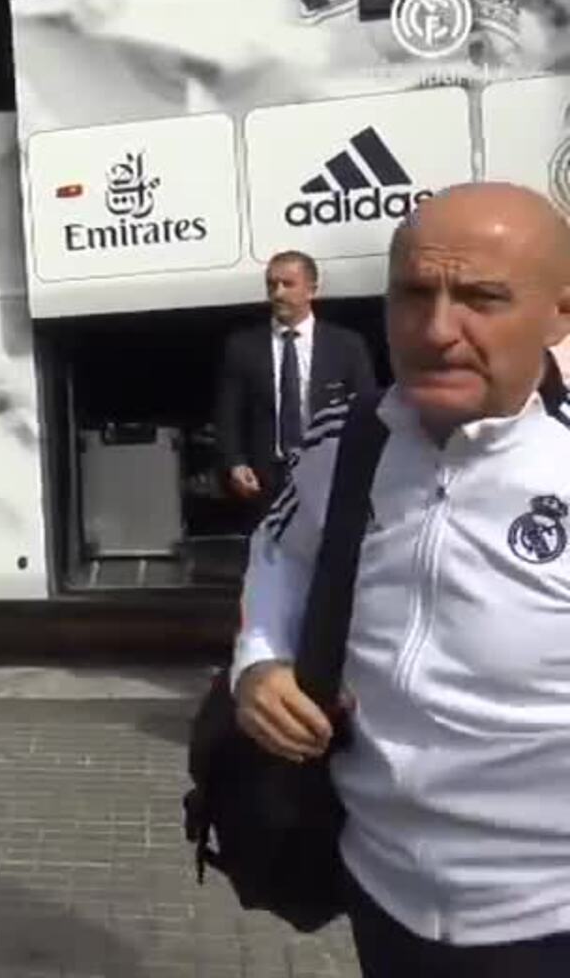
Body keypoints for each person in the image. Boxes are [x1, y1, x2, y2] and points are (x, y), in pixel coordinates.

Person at [232, 182, 570, 975]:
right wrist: (260, 660)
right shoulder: (348, 440)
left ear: (559, 314)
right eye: (414, 294)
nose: (437, 330)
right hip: (380, 894)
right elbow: (279, 553)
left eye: (482, 298)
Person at [215, 250, 377, 516]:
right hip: (268, 478)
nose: (278, 293)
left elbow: (365, 411)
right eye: (272, 285)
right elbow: (229, 414)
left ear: (311, 290)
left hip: (329, 472)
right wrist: (235, 463)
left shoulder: (346, 345)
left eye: (287, 284)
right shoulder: (243, 347)